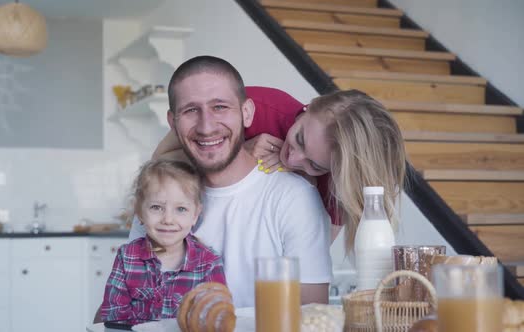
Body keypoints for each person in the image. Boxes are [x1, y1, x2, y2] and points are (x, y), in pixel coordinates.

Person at [130, 55, 333, 308]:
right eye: (191, 110)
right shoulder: (158, 196)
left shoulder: (294, 198)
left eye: (220, 107)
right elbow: (124, 307)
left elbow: (312, 317)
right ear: (173, 123)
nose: (206, 127)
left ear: (247, 113)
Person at [154, 86, 407, 254]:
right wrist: (234, 153)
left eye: (315, 165)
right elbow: (159, 160)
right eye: (299, 138)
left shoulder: (336, 184)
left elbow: (304, 259)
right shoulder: (257, 106)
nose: (294, 159)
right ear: (310, 107)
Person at [100, 159, 226, 324]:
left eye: (181, 209)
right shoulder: (127, 257)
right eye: (156, 207)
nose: (168, 219)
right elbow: (114, 317)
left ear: (195, 215)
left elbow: (218, 319)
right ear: (139, 211)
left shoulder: (209, 263)